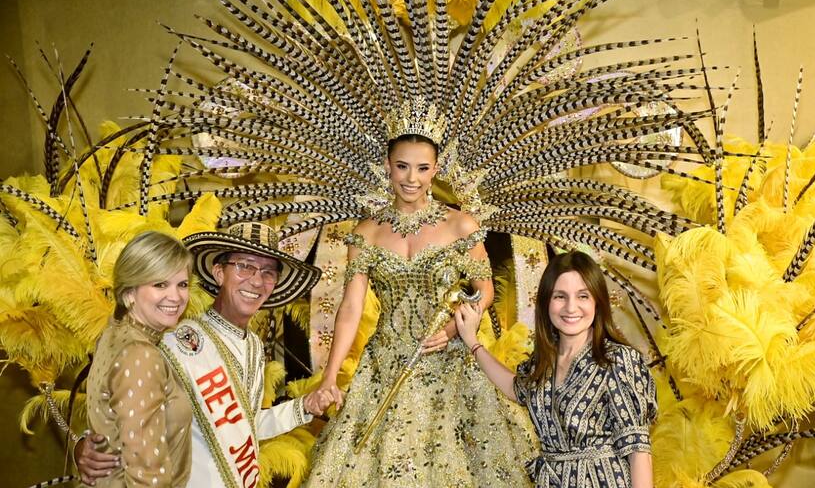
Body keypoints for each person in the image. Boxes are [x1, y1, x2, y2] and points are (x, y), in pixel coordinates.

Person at [303, 128, 535, 486]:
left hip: (451, 362)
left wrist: (454, 328)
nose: (412, 179)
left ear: (436, 169)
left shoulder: (461, 225)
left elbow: (484, 292)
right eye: (403, 167)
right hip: (385, 364)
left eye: (423, 168)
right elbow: (350, 307)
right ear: (387, 167)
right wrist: (330, 377)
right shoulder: (365, 233)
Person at [77, 222, 327, 488]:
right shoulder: (173, 338)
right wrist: (85, 444)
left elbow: (244, 426)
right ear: (219, 273)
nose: (257, 280)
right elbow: (121, 406)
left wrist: (304, 408)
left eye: (268, 272)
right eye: (245, 266)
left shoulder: (254, 346)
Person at [455, 251, 657, 488]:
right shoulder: (543, 362)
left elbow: (638, 450)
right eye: (560, 296)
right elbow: (515, 387)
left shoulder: (619, 360)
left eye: (583, 296)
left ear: (597, 301)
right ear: (546, 302)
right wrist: (472, 342)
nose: (571, 307)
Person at [83, 230, 193, 486]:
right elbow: (147, 476)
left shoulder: (114, 333)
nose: (176, 297)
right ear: (129, 292)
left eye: (182, 284)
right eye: (159, 284)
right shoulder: (140, 355)